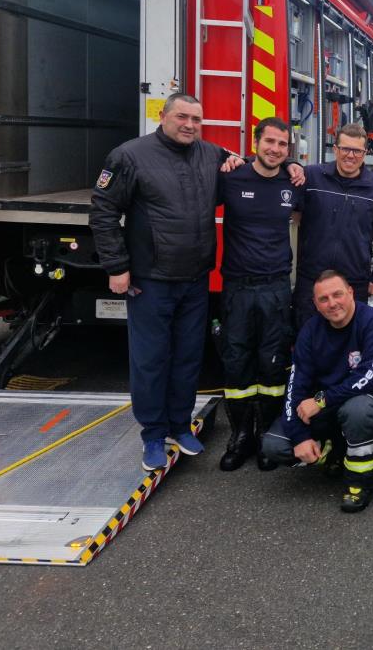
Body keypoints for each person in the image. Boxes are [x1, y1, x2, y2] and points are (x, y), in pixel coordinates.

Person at [90, 93, 259, 471]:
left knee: (187, 357)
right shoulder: (129, 156)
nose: (190, 125)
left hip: (195, 278)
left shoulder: (211, 154)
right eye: (182, 117)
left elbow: (254, 167)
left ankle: (180, 426)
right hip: (150, 280)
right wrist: (116, 267)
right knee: (151, 360)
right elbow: (103, 211)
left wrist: (277, 165)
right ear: (163, 116)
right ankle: (153, 434)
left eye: (197, 119)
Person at [260, 270, 373, 513]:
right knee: (274, 446)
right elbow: (295, 386)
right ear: (316, 304)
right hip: (327, 409)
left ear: (351, 293)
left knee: (357, 410)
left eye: (337, 295)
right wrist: (300, 437)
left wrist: (322, 400)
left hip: (368, 405)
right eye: (323, 299)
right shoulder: (310, 331)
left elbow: (369, 379)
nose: (332, 303)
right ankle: (335, 451)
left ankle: (360, 483)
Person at [215, 117, 298, 472]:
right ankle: (240, 437)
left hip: (275, 288)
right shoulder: (232, 177)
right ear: (255, 142)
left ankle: (267, 437)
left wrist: (295, 166)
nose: (275, 149)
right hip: (237, 287)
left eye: (282, 144)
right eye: (270, 142)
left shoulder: (293, 182)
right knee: (236, 363)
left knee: (273, 364)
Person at [291, 121, 373, 334]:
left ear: (365, 153)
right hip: (312, 281)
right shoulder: (312, 177)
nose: (351, 156)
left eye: (357, 151)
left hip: (354, 283)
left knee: (349, 343)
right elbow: (275, 179)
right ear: (335, 149)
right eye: (345, 149)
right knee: (306, 339)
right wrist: (289, 163)